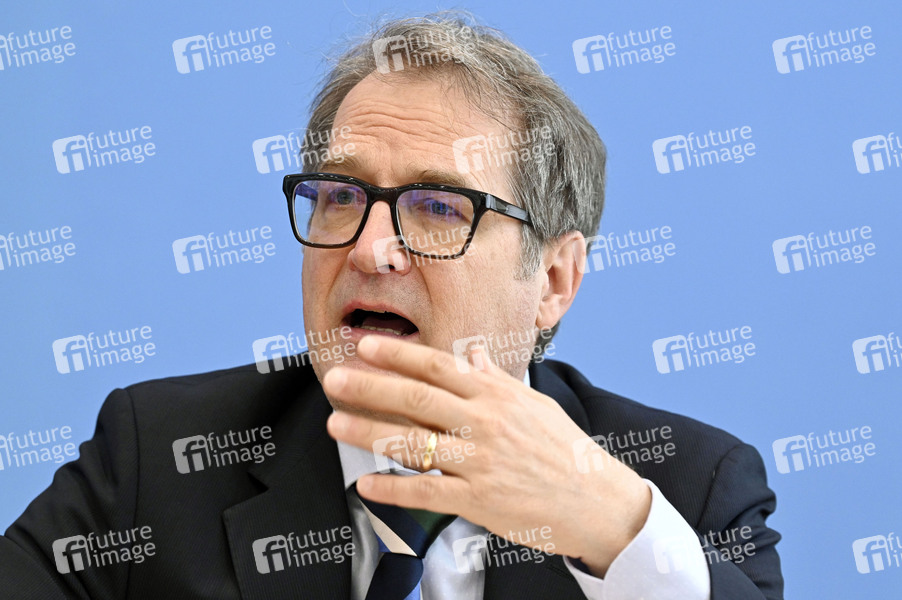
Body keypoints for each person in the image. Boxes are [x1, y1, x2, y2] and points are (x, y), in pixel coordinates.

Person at [0, 13, 783, 600]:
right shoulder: (160, 457)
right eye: (341, 196)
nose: (371, 248)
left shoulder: (687, 489)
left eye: (438, 207)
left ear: (553, 280)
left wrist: (612, 528)